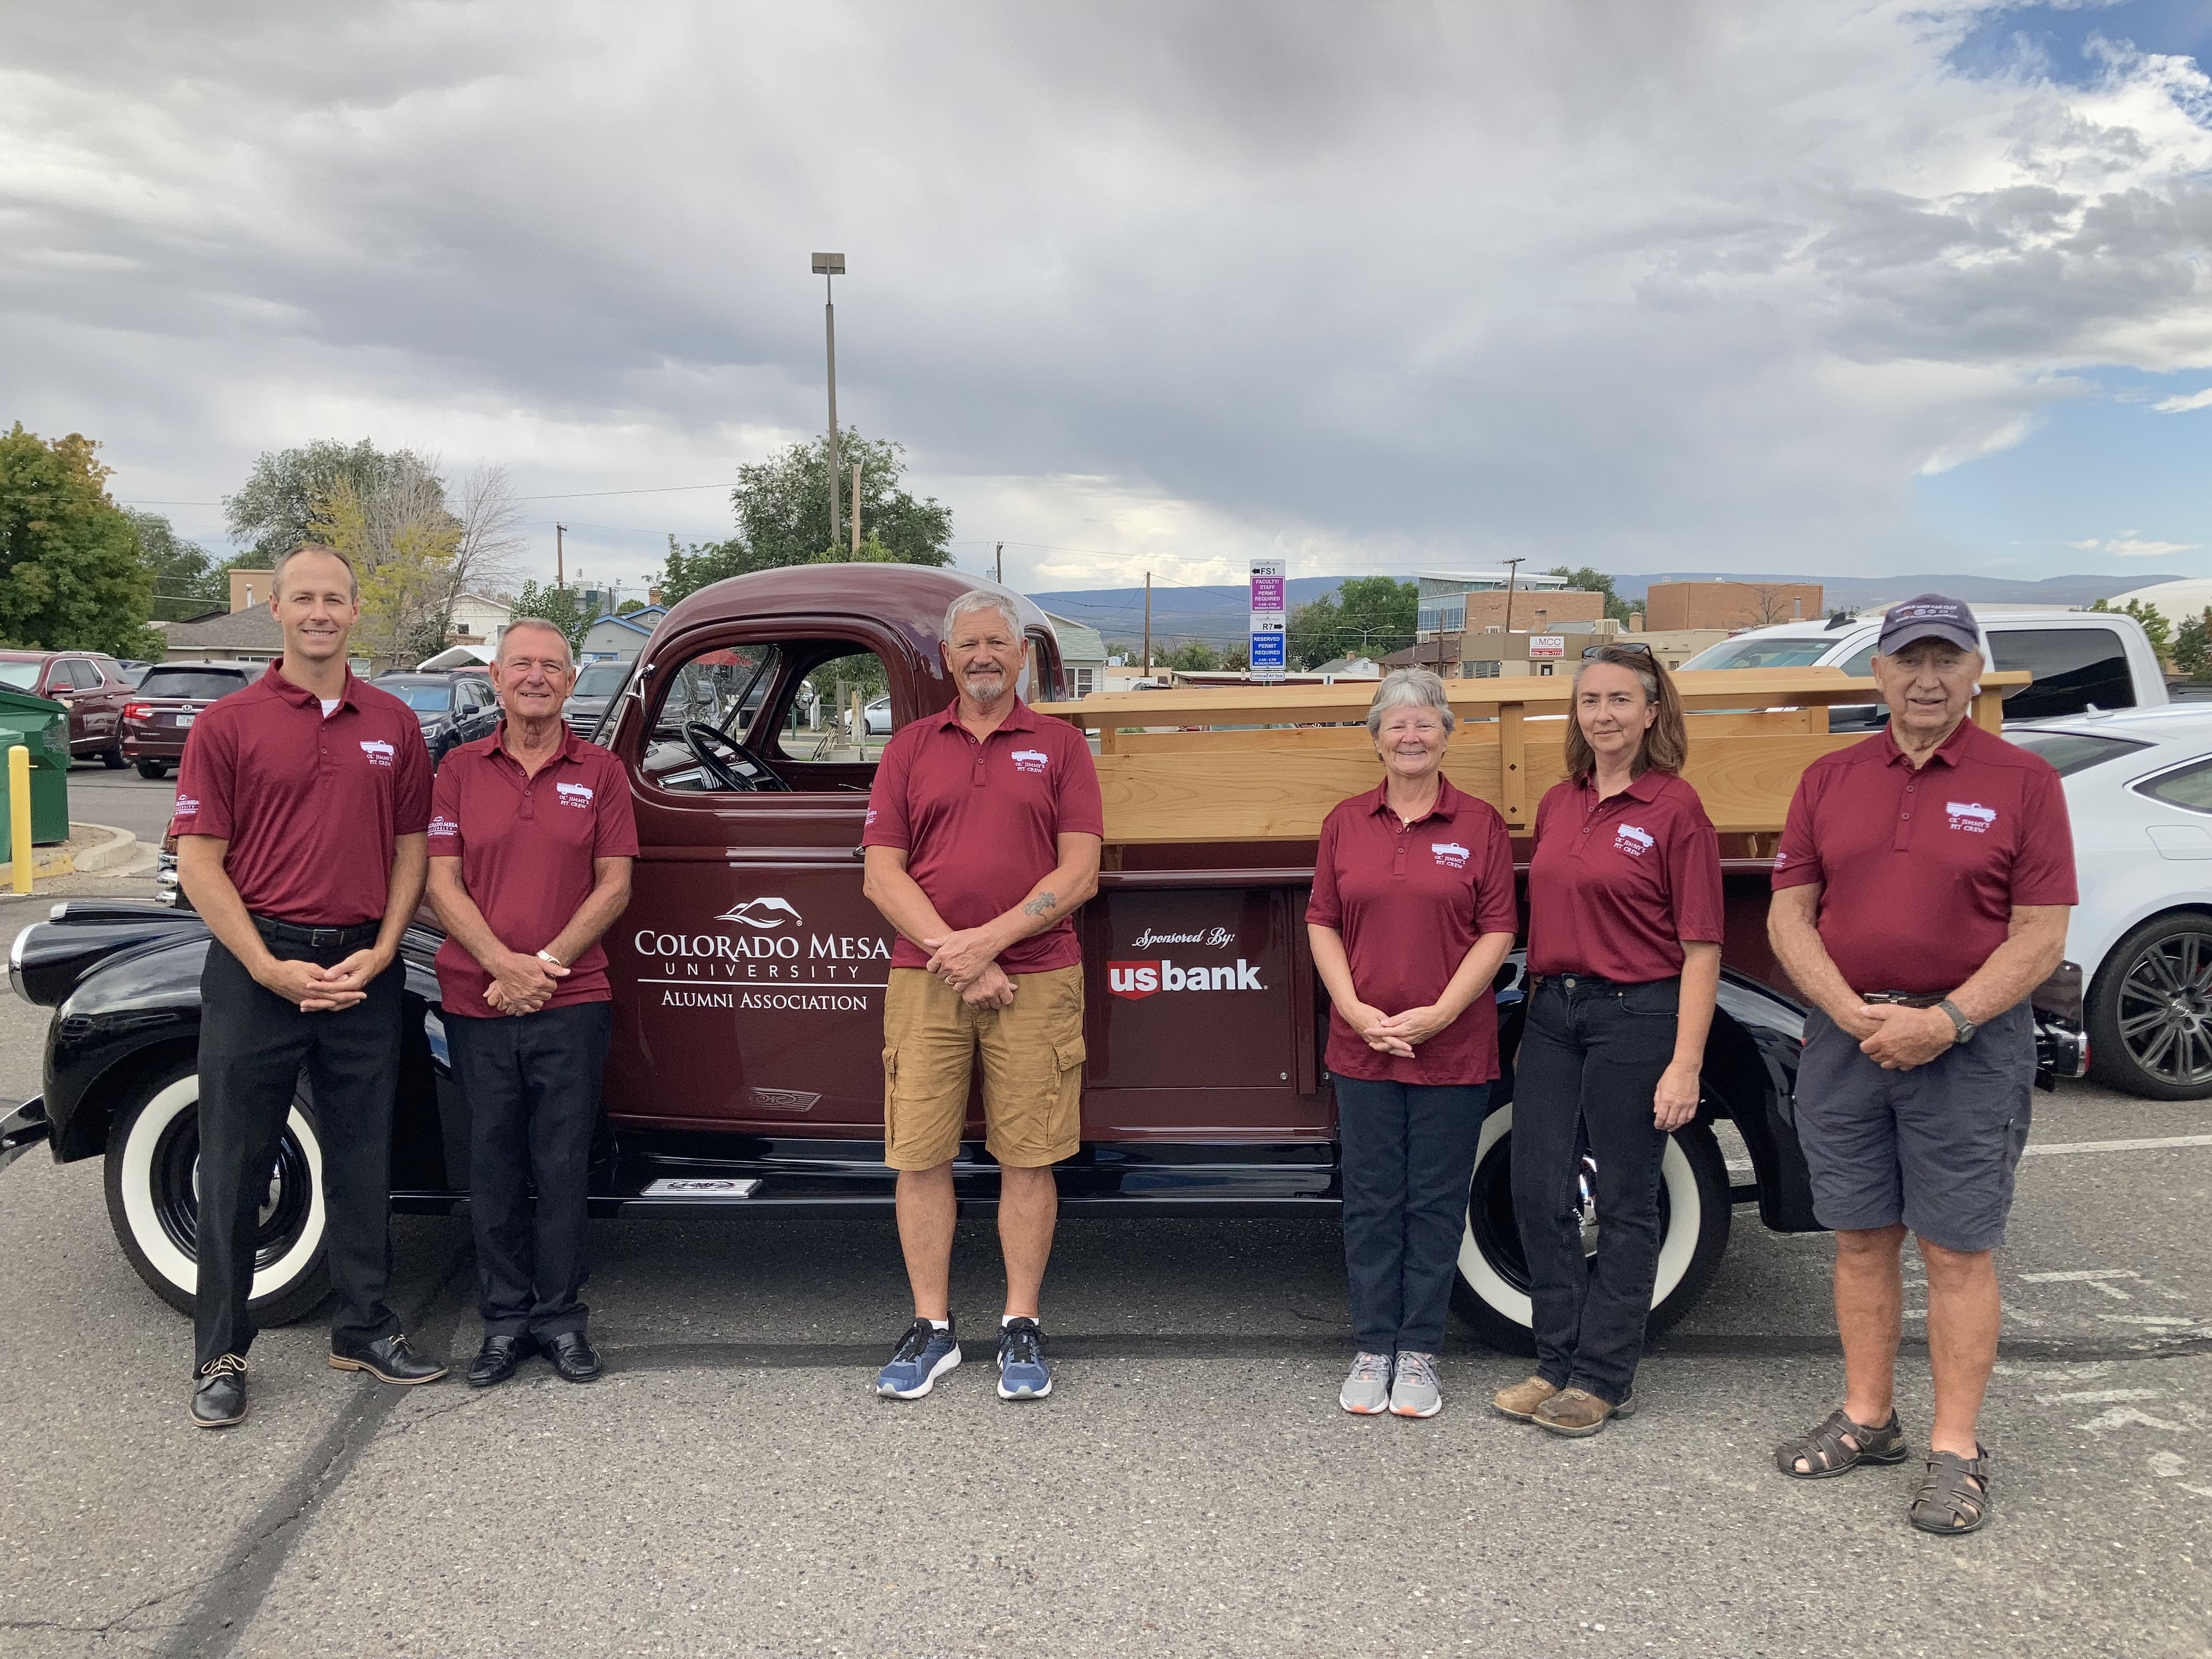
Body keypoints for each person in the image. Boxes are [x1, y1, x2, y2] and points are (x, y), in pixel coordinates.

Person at [1768, 594, 2072, 1536]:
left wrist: (1947, 1020)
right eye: (1910, 660)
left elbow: (2041, 934)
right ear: (1880, 672)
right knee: (1861, 1239)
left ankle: (1956, 1449)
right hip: (1850, 1038)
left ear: (1975, 670)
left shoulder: (2025, 783)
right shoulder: (1829, 778)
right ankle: (1869, 1418)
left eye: (1947, 659)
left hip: (1968, 1048)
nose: (1928, 679)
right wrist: (1843, 1008)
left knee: (1956, 1249)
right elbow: (1790, 912)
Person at [172, 543, 441, 1429]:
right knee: (236, 1164)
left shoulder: (395, 723)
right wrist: (265, 966)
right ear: (277, 610)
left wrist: (386, 948)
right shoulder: (228, 724)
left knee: (363, 1157)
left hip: (363, 967)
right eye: (304, 599)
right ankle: (221, 1351)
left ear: (356, 611)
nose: (320, 612)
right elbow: (200, 862)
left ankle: (363, 1326)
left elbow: (411, 849)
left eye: (334, 599)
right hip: (259, 970)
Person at [860, 590, 1103, 1402]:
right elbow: (881, 874)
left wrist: (988, 944)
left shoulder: (1061, 746)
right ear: (947, 657)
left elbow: (1079, 872)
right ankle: (932, 1328)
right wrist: (959, 956)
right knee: (920, 1153)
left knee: (1029, 1155)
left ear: (1021, 653)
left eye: (997, 642)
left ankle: (1020, 1324)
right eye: (968, 645)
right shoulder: (910, 748)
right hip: (925, 977)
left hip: (1038, 975)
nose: (983, 657)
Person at [1496, 643, 1723, 1437]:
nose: (1604, 715)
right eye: (1590, 701)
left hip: (1637, 1017)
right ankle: (1554, 1361)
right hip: (1554, 1017)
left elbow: (1702, 948)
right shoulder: (1560, 803)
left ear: (1652, 713)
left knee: (1626, 1202)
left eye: (1621, 700)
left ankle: (1602, 1377)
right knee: (1538, 1190)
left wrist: (1686, 1063)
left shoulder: (1676, 810)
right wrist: (1534, 1021)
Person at [425, 619, 637, 1389]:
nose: (536, 677)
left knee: (563, 1161)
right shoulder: (458, 770)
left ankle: (560, 1317)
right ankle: (503, 1321)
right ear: (496, 677)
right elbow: (440, 881)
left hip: (571, 997)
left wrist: (543, 967)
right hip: (476, 996)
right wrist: (499, 964)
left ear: (572, 682)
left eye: (551, 666)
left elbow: (615, 884)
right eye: (522, 665)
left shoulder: (602, 771)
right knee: (493, 1162)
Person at [1307, 668, 1519, 1419]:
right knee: (1371, 1201)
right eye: (1396, 724)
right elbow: (1322, 922)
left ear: (1446, 736)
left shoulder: (1480, 825)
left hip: (1453, 1046)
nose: (1410, 735)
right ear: (1376, 740)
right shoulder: (1345, 823)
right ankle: (1374, 1348)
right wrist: (1353, 1009)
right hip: (1363, 1044)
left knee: (1435, 1201)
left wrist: (1439, 1015)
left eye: (1425, 722)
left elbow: (1498, 930)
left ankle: (1420, 1351)